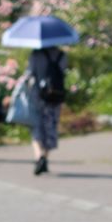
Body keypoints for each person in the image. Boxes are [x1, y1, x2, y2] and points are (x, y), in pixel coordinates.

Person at [27, 45, 67, 175]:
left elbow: (30, 73)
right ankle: (45, 157)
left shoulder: (35, 54)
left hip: (37, 95)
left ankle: (39, 156)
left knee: (37, 127)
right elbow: (62, 73)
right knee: (51, 126)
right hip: (56, 96)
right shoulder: (62, 55)